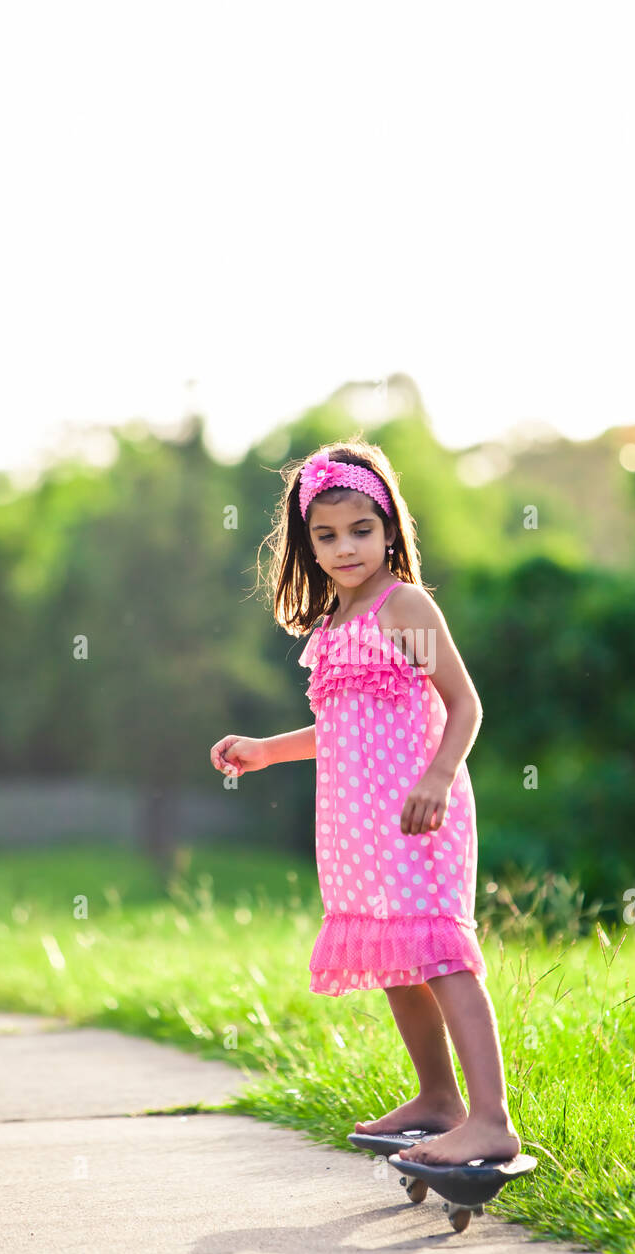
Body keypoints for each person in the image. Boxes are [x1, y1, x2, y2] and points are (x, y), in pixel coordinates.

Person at [210, 437, 520, 1166]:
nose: (345, 547)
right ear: (306, 544)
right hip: (356, 825)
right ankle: (438, 1099)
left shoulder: (401, 604)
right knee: (394, 957)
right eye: (326, 535)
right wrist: (264, 749)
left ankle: (491, 1119)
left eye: (361, 530)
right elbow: (341, 731)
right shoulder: (332, 629)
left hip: (419, 814)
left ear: (388, 530)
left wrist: (439, 777)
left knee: (440, 952)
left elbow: (464, 705)